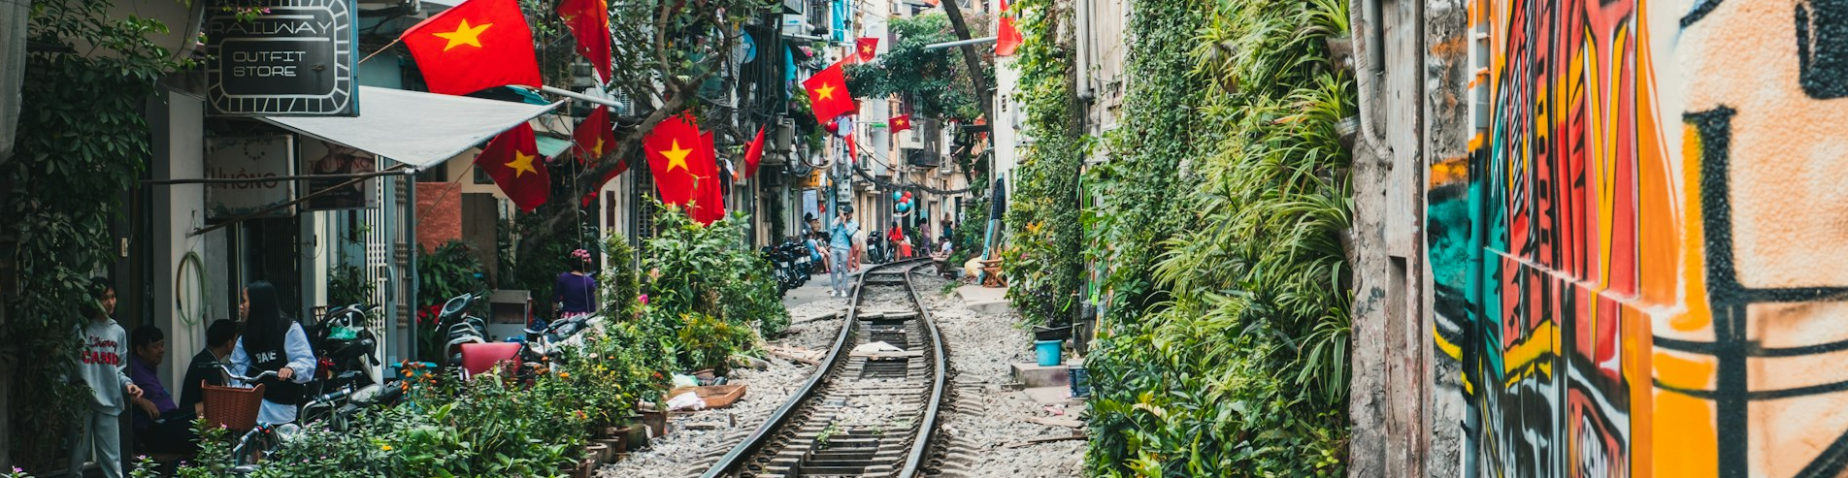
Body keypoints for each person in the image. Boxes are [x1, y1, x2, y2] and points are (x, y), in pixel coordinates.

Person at [70, 277, 142, 478]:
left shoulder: (118, 332)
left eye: (113, 297)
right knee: (76, 462)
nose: (110, 302)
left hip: (109, 401)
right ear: (93, 300)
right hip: (82, 401)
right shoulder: (79, 330)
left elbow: (118, 369)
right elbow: (65, 366)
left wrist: (128, 385)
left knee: (112, 464)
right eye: (104, 298)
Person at [229, 281, 316, 425]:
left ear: (258, 303)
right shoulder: (245, 335)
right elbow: (237, 369)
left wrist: (291, 368)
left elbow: (305, 360)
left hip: (282, 406)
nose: (241, 306)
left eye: (244, 301)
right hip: (255, 405)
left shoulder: (288, 328)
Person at [127, 325, 197, 454]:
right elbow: (115, 393)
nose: (161, 350)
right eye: (155, 347)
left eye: (162, 345)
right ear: (140, 350)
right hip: (155, 427)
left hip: (169, 421)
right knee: (206, 408)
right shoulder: (132, 368)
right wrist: (140, 401)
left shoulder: (148, 366)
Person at [180, 319, 239, 418]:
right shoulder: (208, 365)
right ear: (228, 343)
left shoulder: (204, 358)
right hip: (193, 422)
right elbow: (213, 403)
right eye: (235, 340)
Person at [555, 249, 598, 320]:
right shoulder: (590, 281)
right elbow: (592, 306)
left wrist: (553, 316)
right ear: (587, 265)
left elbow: (556, 299)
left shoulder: (563, 277)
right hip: (583, 318)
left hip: (566, 317)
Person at [828, 205, 859, 298]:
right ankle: (834, 289)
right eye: (844, 213)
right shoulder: (838, 219)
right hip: (834, 246)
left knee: (844, 269)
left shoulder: (854, 223)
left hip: (844, 248)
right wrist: (839, 221)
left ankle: (843, 289)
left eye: (847, 214)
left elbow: (849, 233)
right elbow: (832, 229)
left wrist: (845, 223)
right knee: (833, 269)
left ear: (851, 214)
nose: (846, 215)